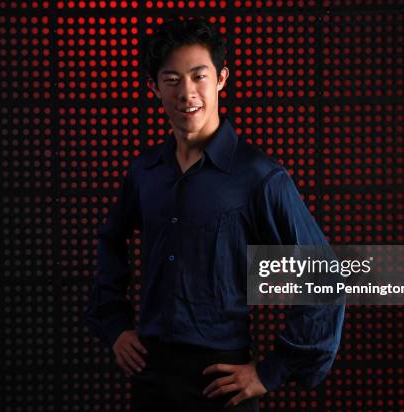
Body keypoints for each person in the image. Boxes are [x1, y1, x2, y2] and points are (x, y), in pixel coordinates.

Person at [85, 16, 345, 411]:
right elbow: (111, 241)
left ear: (221, 78)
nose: (187, 93)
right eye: (171, 79)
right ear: (154, 87)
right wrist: (115, 324)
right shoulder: (144, 172)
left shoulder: (259, 176)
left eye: (198, 76)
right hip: (151, 374)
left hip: (222, 380)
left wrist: (270, 371)